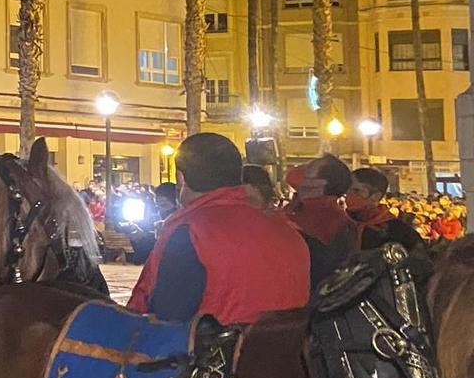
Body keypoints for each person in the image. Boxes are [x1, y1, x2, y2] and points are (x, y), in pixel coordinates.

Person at [128, 132, 309, 324]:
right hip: (281, 351)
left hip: (210, 350)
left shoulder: (190, 231)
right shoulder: (289, 231)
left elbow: (167, 316)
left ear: (181, 179)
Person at [285, 154, 359, 285]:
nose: (301, 171)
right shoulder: (299, 207)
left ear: (320, 183)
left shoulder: (333, 220)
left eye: (308, 169)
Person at [345, 166, 424, 255]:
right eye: (347, 190)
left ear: (375, 196)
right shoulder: (339, 222)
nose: (349, 194)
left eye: (356, 190)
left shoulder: (397, 230)